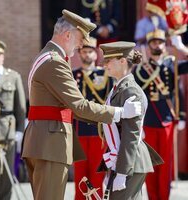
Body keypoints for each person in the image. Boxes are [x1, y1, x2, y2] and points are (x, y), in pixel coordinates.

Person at [21, 9, 142, 200]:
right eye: (80, 40)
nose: (80, 46)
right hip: (50, 144)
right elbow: (79, 106)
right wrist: (119, 112)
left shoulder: (47, 56)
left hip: (44, 140)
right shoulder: (55, 62)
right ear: (67, 34)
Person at [97, 41, 163, 200]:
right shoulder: (119, 87)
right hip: (124, 159)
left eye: (108, 60)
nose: (105, 65)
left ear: (122, 61)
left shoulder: (130, 90)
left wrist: (122, 171)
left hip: (129, 162)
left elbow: (131, 133)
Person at [133, 29, 188, 200]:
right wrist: (137, 123)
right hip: (147, 121)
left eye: (160, 42)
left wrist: (182, 48)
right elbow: (135, 97)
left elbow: (178, 91)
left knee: (165, 164)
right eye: (154, 42)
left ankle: (164, 197)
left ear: (165, 45)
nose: (157, 45)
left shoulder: (172, 64)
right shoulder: (140, 69)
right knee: (149, 163)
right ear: (149, 46)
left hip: (166, 120)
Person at [73, 37, 113, 199]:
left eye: (90, 52)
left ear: (96, 54)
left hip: (99, 131)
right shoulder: (72, 75)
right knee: (80, 176)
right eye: (84, 52)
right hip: (78, 130)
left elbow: (110, 101)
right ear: (79, 54)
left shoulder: (104, 74)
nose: (87, 55)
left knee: (97, 175)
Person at [0, 40, 26, 200]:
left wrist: (19, 131)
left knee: (7, 173)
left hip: (8, 132)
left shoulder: (14, 76)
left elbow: (21, 107)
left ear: (3, 56)